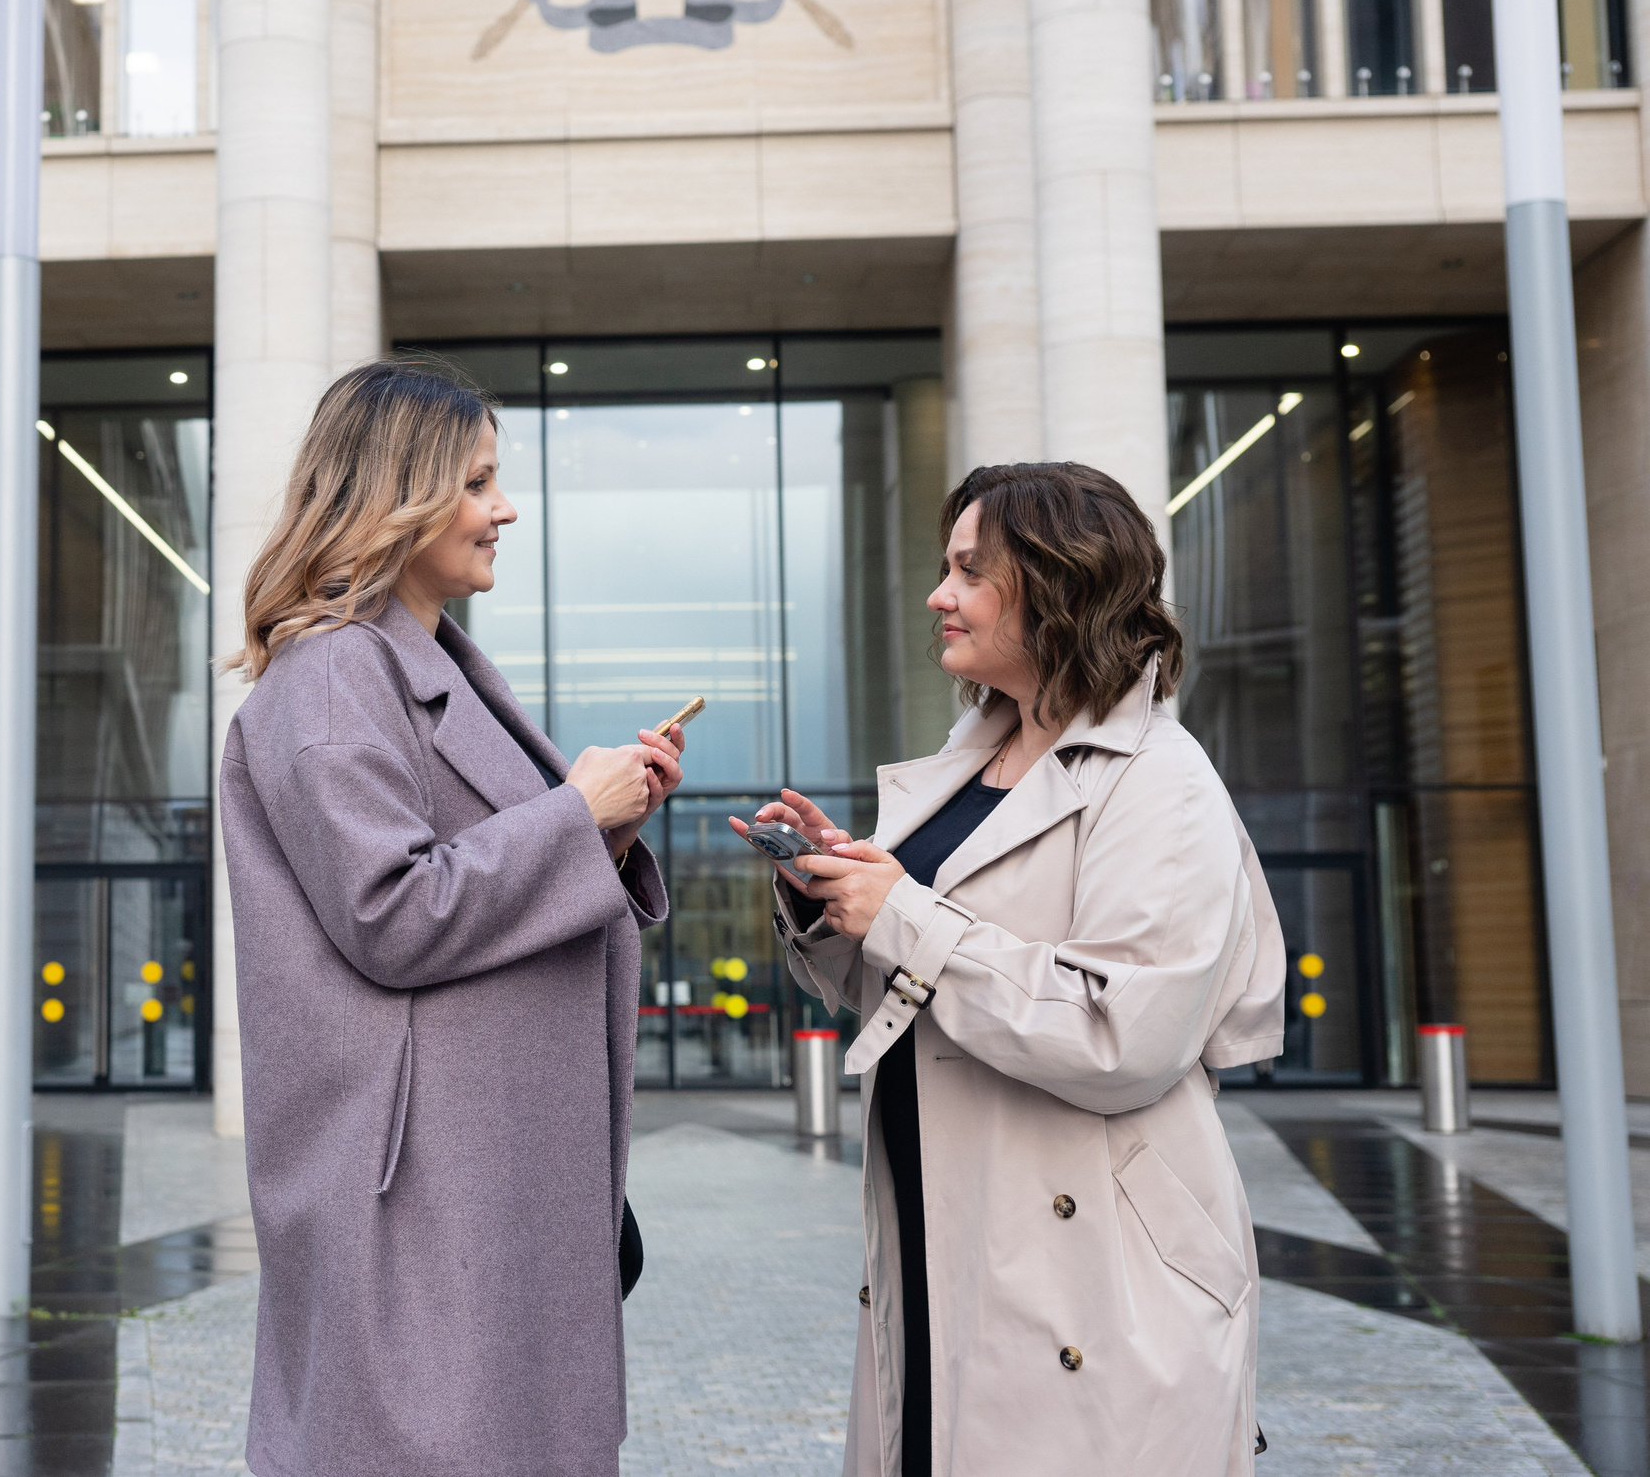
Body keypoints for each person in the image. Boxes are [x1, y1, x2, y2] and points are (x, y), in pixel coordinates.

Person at [735, 461, 1286, 1477]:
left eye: (970, 573)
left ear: (1059, 584)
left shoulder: (1159, 779)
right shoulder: (967, 757)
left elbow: (1125, 1037)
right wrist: (834, 901)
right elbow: (907, 995)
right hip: (945, 1230)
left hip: (1087, 1269)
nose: (940, 596)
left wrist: (902, 915)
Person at [218, 360, 682, 1477]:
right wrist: (577, 816)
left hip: (472, 1186)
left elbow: (449, 879)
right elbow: (392, 908)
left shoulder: (424, 668)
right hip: (421, 1196)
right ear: (399, 494)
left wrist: (601, 832)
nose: (503, 510)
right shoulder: (335, 677)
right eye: (475, 484)